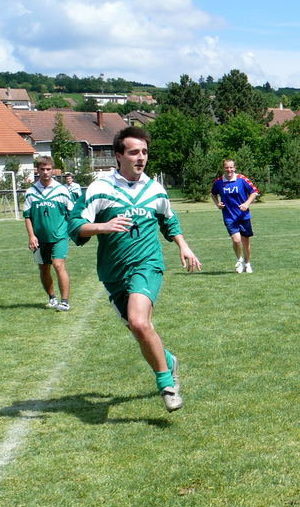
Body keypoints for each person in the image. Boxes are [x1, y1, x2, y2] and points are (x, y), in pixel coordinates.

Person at [68, 126, 201, 413]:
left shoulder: (155, 189)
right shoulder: (100, 188)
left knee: (140, 323)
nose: (141, 158)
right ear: (118, 156)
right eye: (133, 152)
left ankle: (167, 385)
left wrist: (183, 245)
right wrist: (102, 226)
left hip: (147, 265)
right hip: (113, 272)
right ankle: (168, 360)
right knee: (138, 330)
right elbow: (75, 226)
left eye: (144, 152)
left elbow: (169, 220)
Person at [22, 156, 73, 311]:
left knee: (58, 265)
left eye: (48, 169)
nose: (45, 172)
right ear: (37, 170)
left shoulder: (62, 190)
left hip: (59, 236)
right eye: (42, 169)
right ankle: (52, 297)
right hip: (40, 239)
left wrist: (72, 232)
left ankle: (65, 301)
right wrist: (31, 236)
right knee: (44, 268)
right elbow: (27, 216)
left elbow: (71, 212)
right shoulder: (31, 192)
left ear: (53, 170)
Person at [211, 159, 259, 273]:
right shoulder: (218, 182)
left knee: (245, 241)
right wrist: (217, 204)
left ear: (234, 168)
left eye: (231, 167)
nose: (229, 170)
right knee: (236, 240)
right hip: (229, 216)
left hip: (243, 216)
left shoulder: (242, 179)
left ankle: (247, 264)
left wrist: (246, 204)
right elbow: (213, 194)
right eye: (227, 167)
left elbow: (254, 192)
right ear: (223, 168)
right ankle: (239, 260)